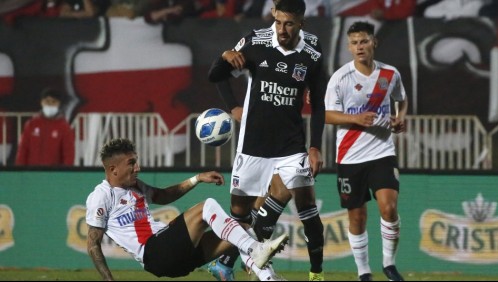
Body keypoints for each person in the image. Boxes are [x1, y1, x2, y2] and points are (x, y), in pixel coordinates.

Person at [207, 0, 326, 280]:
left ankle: (316, 274)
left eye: (289, 24)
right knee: (240, 214)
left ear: (301, 23)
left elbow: (318, 103)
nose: (282, 29)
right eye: (279, 22)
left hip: (291, 146)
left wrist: (315, 146)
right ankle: (226, 264)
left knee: (305, 203)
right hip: (253, 145)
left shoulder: (313, 50)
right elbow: (215, 75)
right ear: (274, 15)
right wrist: (224, 60)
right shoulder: (255, 41)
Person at [85, 138, 289, 281]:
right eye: (131, 163)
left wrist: (197, 179)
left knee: (242, 228)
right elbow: (93, 243)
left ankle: (268, 278)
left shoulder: (136, 186)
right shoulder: (101, 196)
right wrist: (108, 279)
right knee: (206, 207)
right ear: (113, 169)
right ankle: (255, 248)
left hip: (177, 262)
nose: (137, 168)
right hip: (154, 252)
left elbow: (164, 196)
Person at [324, 21, 408, 281]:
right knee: (357, 217)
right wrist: (356, 119)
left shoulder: (390, 74)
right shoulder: (340, 78)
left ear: (374, 43)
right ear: (349, 47)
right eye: (355, 43)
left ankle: (389, 265)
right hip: (350, 156)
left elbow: (401, 100)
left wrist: (400, 118)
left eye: (364, 41)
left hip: (382, 152)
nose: (359, 47)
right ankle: (363, 272)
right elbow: (326, 115)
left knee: (388, 207)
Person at [15, 87, 75, 166]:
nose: (50, 104)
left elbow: (68, 153)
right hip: (31, 172)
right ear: (42, 102)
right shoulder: (31, 124)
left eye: (53, 102)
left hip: (53, 175)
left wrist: (65, 173)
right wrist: (19, 170)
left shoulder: (64, 127)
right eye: (47, 101)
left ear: (59, 104)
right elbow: (23, 149)